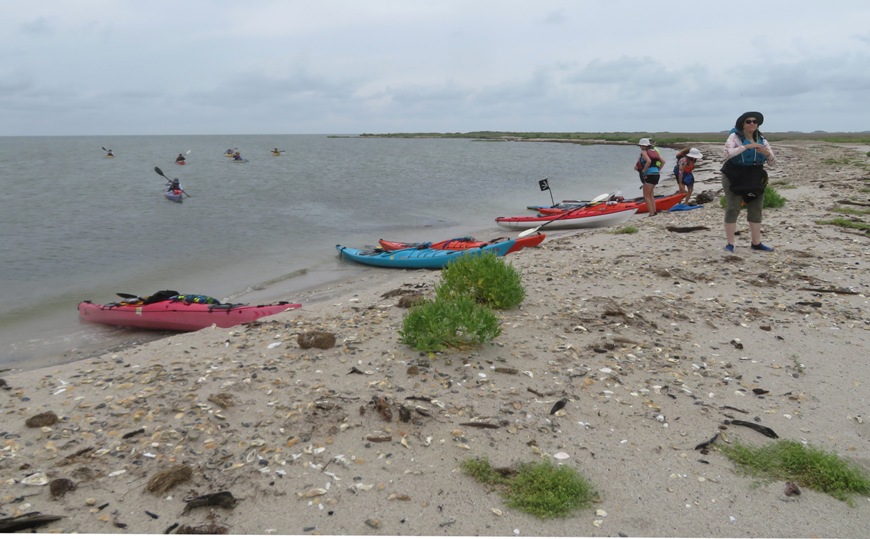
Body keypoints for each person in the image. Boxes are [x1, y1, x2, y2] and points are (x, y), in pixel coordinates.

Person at [721, 111, 776, 252]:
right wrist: (745, 147)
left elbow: (773, 163)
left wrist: (766, 153)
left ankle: (756, 243)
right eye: (748, 121)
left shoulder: (762, 140)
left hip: (755, 175)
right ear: (742, 124)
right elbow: (727, 153)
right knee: (733, 207)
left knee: (756, 208)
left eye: (754, 121)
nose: (752, 123)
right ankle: (730, 244)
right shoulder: (734, 137)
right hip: (735, 175)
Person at [633, 138, 665, 216]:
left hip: (649, 175)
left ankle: (651, 213)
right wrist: (658, 170)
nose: (640, 147)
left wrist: (644, 171)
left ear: (644, 146)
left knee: (646, 196)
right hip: (656, 174)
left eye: (640, 146)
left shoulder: (644, 152)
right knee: (651, 195)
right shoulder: (654, 152)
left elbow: (648, 161)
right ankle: (654, 211)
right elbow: (663, 162)